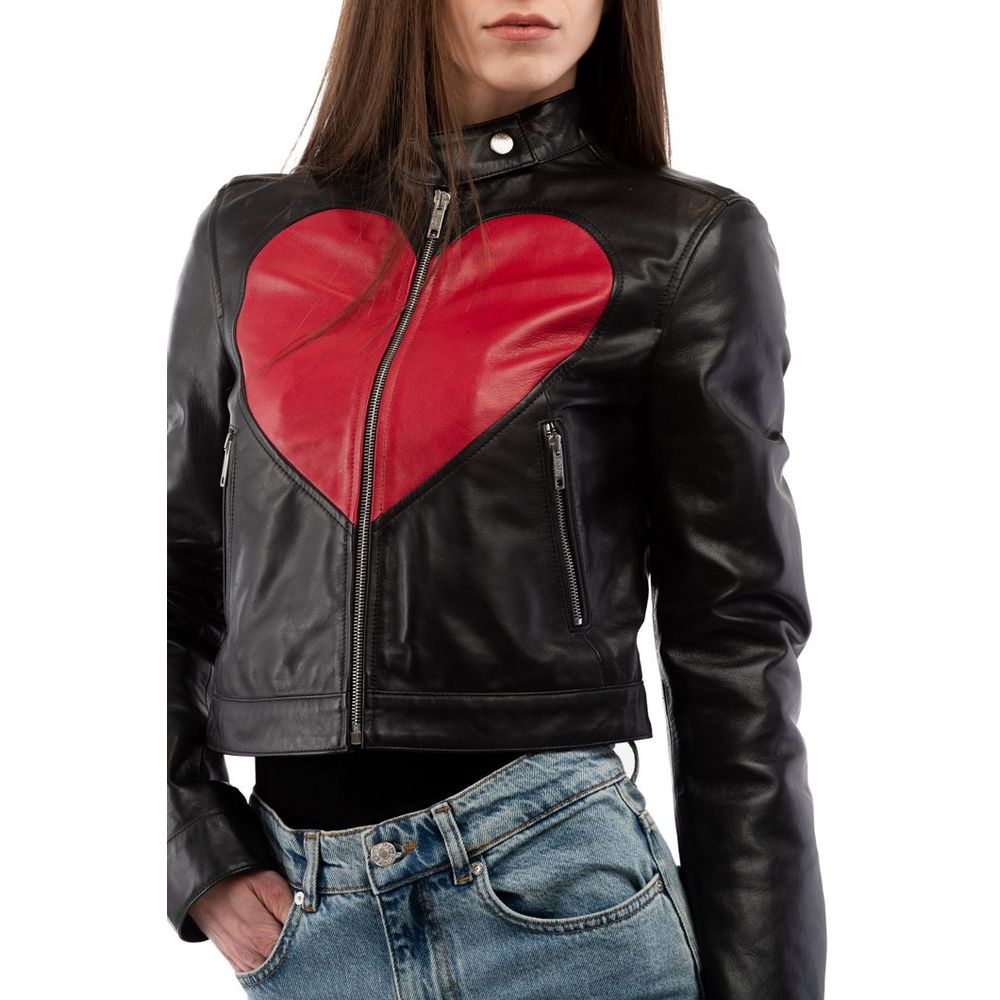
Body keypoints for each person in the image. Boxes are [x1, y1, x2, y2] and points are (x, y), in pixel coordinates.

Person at [166, 1, 827, 997]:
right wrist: (189, 840)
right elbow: (168, 565)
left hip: (564, 902)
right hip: (306, 923)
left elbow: (735, 637)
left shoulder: (683, 241)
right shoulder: (248, 232)